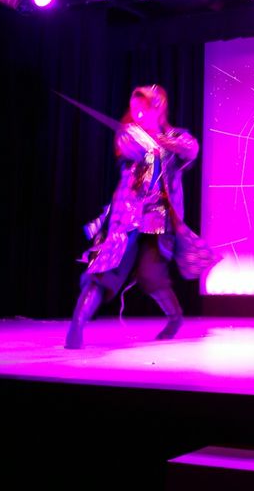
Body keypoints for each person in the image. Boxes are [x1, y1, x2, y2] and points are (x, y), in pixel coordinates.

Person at [65, 85, 221, 349]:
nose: (138, 112)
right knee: (105, 269)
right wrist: (152, 139)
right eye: (135, 108)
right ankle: (77, 325)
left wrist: (163, 140)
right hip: (127, 219)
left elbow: (191, 149)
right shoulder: (129, 134)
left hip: (160, 222)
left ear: (158, 109)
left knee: (151, 275)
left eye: (145, 107)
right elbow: (133, 148)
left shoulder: (175, 137)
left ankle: (175, 318)